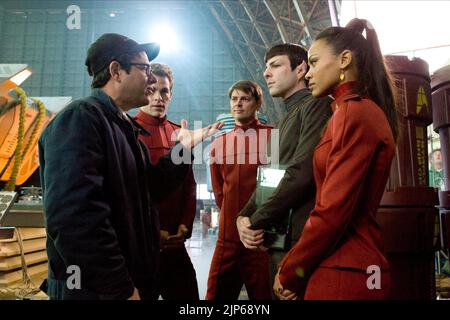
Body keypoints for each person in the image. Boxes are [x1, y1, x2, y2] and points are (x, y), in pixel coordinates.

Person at [38, 33, 222, 300]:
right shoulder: (80, 120)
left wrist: (183, 149)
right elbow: (75, 219)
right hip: (96, 291)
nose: (150, 78)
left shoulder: (124, 128)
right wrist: (118, 287)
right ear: (116, 71)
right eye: (144, 69)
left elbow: (150, 188)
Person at [274, 18, 398, 300]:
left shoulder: (352, 114)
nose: (308, 74)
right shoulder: (355, 112)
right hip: (356, 268)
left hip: (344, 271)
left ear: (344, 60)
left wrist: (290, 272)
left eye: (315, 62)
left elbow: (332, 211)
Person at [235, 44, 332, 296]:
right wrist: (242, 217)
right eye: (266, 67)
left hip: (301, 242)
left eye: (275, 65)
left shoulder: (316, 106)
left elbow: (301, 174)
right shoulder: (284, 121)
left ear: (301, 69)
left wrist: (255, 220)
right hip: (280, 240)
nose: (266, 73)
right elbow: (267, 181)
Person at [134, 63, 199, 300]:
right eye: (151, 90)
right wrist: (151, 232)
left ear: (171, 95)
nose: (158, 98)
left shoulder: (179, 134)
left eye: (164, 91)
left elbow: (189, 186)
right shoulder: (127, 132)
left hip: (175, 244)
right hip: (141, 250)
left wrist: (185, 225)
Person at [206, 80, 273, 300]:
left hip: (261, 239)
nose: (238, 104)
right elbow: (219, 193)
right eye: (234, 99)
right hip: (228, 238)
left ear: (257, 103)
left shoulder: (274, 139)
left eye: (245, 98)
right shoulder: (218, 144)